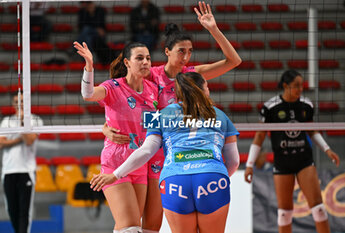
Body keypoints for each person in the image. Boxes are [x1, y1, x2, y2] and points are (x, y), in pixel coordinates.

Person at [102, 2, 242, 232]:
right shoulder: (150, 75)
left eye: (190, 51)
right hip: (144, 145)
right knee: (128, 224)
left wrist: (213, 29)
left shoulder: (192, 75)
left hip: (167, 156)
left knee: (152, 226)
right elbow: (121, 102)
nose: (186, 57)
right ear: (167, 52)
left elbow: (234, 61)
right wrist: (105, 128)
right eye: (181, 51)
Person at [91, 72, 240, 233]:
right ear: (203, 90)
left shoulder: (162, 115)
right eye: (207, 86)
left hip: (175, 180)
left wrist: (115, 174)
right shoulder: (220, 115)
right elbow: (234, 162)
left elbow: (146, 150)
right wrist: (210, 176)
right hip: (212, 177)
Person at [74, 40, 159, 233]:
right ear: (127, 63)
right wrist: (89, 65)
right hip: (116, 160)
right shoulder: (113, 87)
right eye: (139, 58)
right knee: (129, 227)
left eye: (148, 58)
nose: (145, 62)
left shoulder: (153, 91)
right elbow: (87, 94)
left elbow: (152, 131)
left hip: (140, 162)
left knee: (130, 226)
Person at [244, 69, 340, 233]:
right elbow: (259, 137)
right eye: (296, 86)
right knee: (284, 213)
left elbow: (312, 130)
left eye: (301, 86)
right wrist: (249, 165)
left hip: (304, 160)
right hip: (282, 162)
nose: (300, 89)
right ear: (285, 86)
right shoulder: (271, 107)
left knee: (319, 208)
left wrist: (327, 150)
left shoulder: (306, 105)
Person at [0, 94, 43, 233]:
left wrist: (22, 121)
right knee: (11, 210)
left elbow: (29, 140)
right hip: (8, 171)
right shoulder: (6, 121)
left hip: (26, 171)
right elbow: (1, 142)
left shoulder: (35, 120)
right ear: (13, 104)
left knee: (24, 212)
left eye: (22, 101)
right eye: (16, 102)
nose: (19, 104)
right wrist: (18, 139)